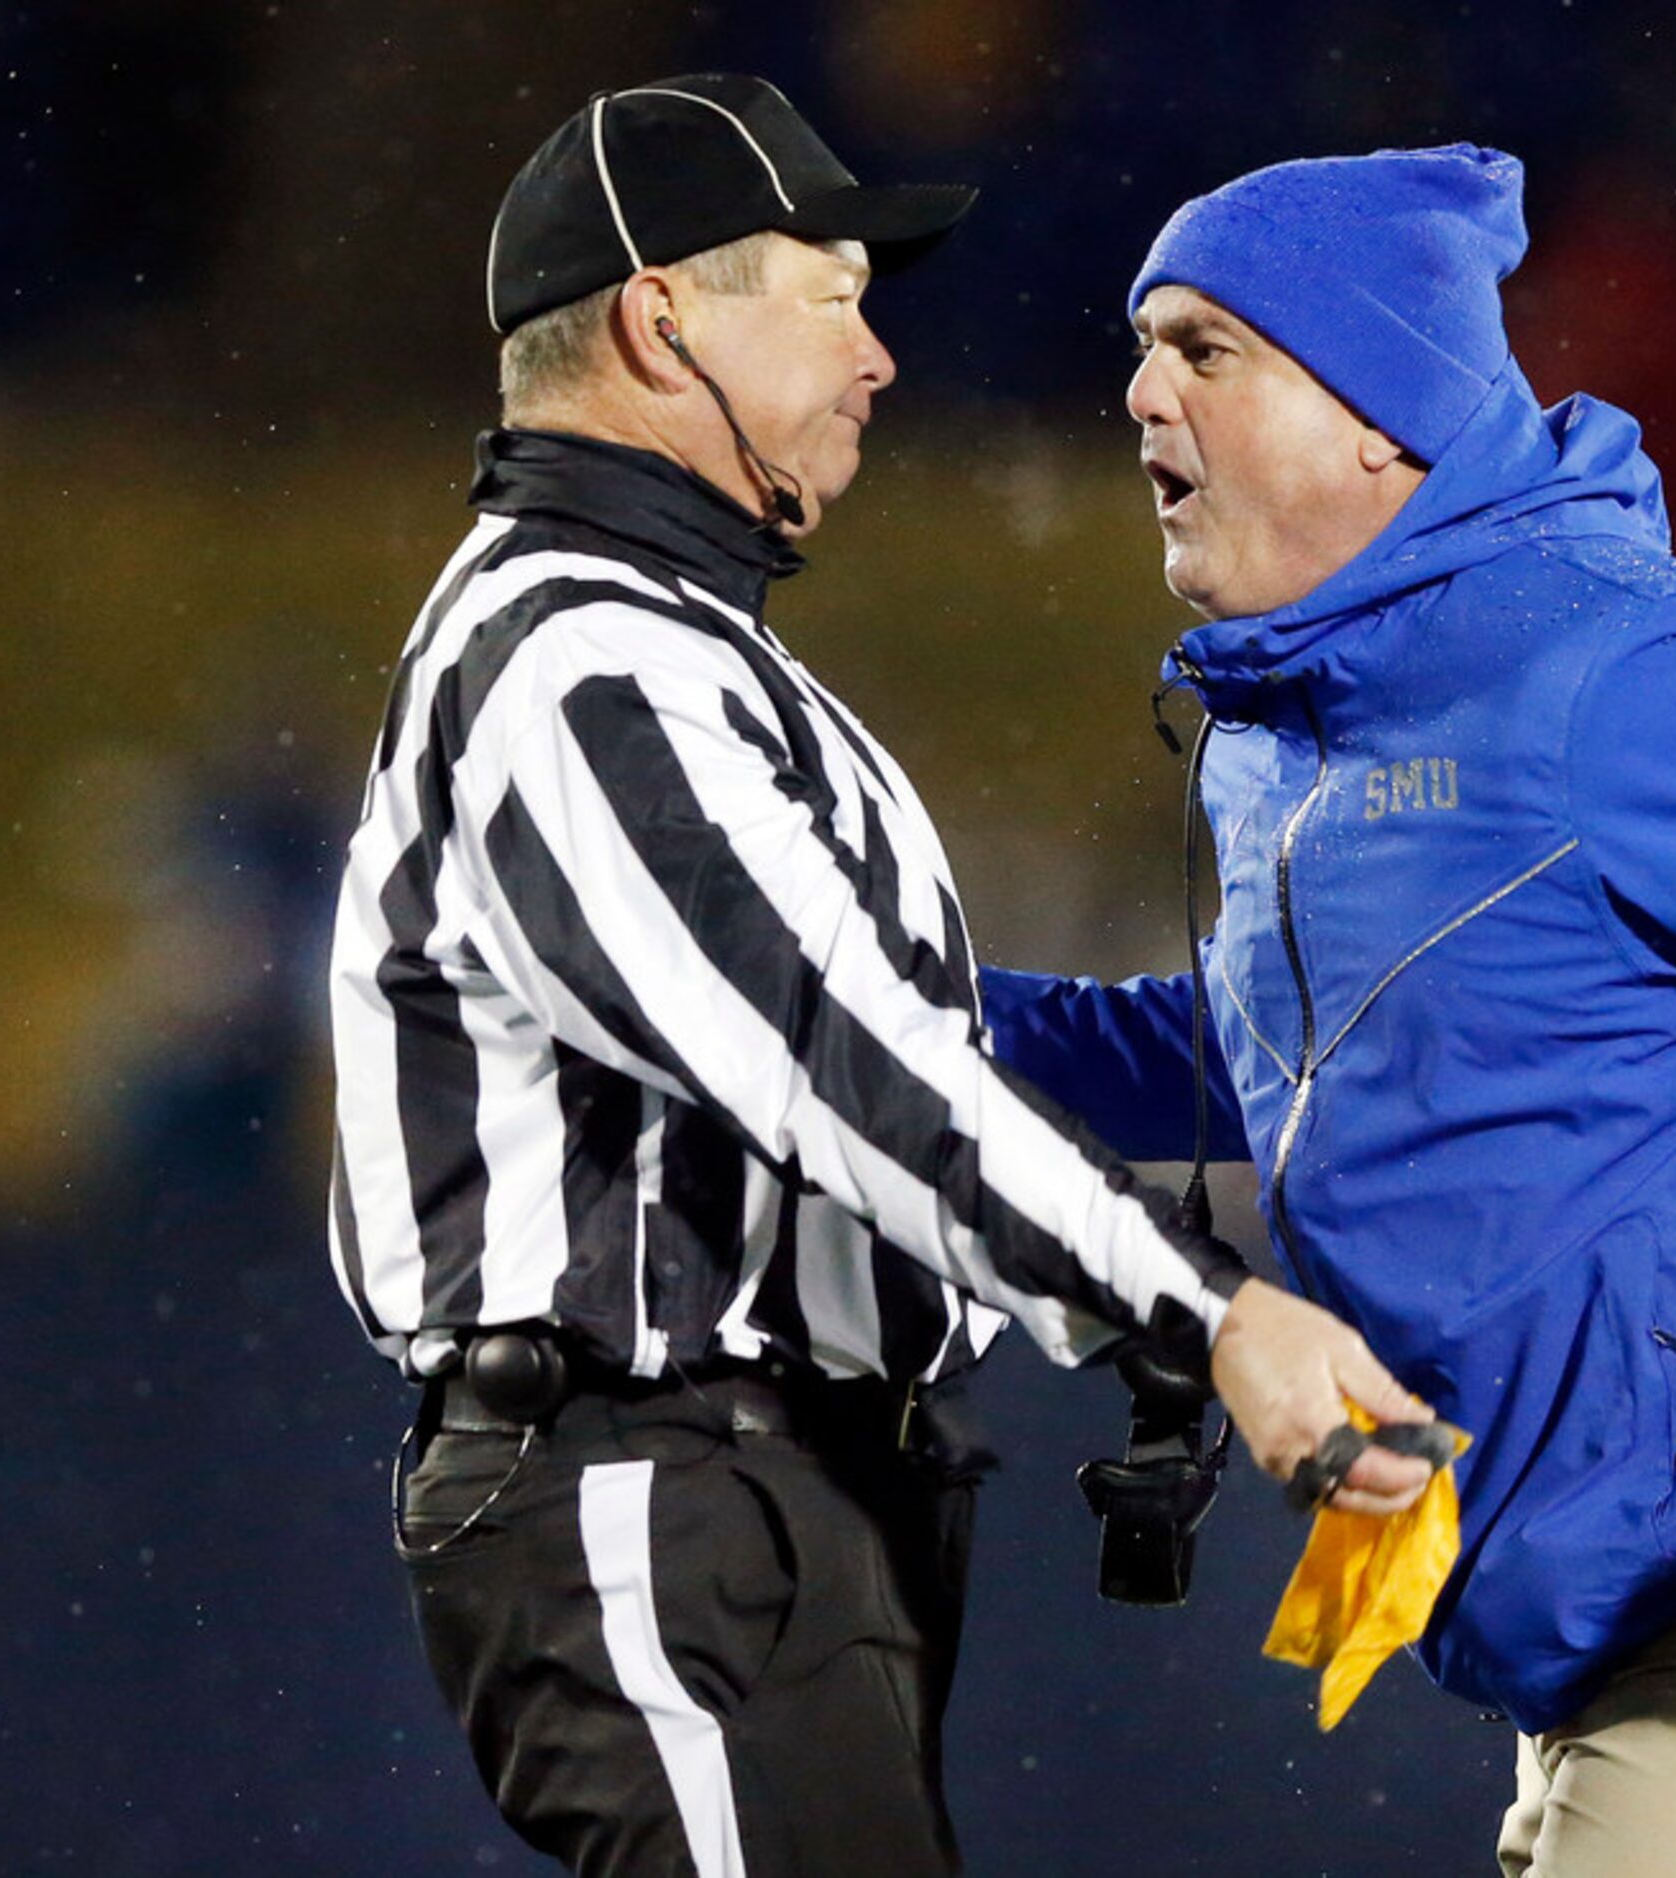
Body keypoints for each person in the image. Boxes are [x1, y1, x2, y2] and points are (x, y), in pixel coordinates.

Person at [324, 77, 1432, 1878]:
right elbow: (849, 1069)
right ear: (659, 317)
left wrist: (1337, 1065)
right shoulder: (578, 664)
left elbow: (922, 1045)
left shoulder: (671, 647)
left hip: (772, 1496)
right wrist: (1211, 1317)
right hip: (663, 1481)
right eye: (831, 292)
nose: (881, 355)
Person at [979, 145, 1676, 1875]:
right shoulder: (1294, 735)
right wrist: (889, 1006)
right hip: (1610, 1618)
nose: (1141, 388)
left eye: (1207, 347)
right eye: (1147, 343)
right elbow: (1276, 1066)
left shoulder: (1628, 670)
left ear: (1380, 412)